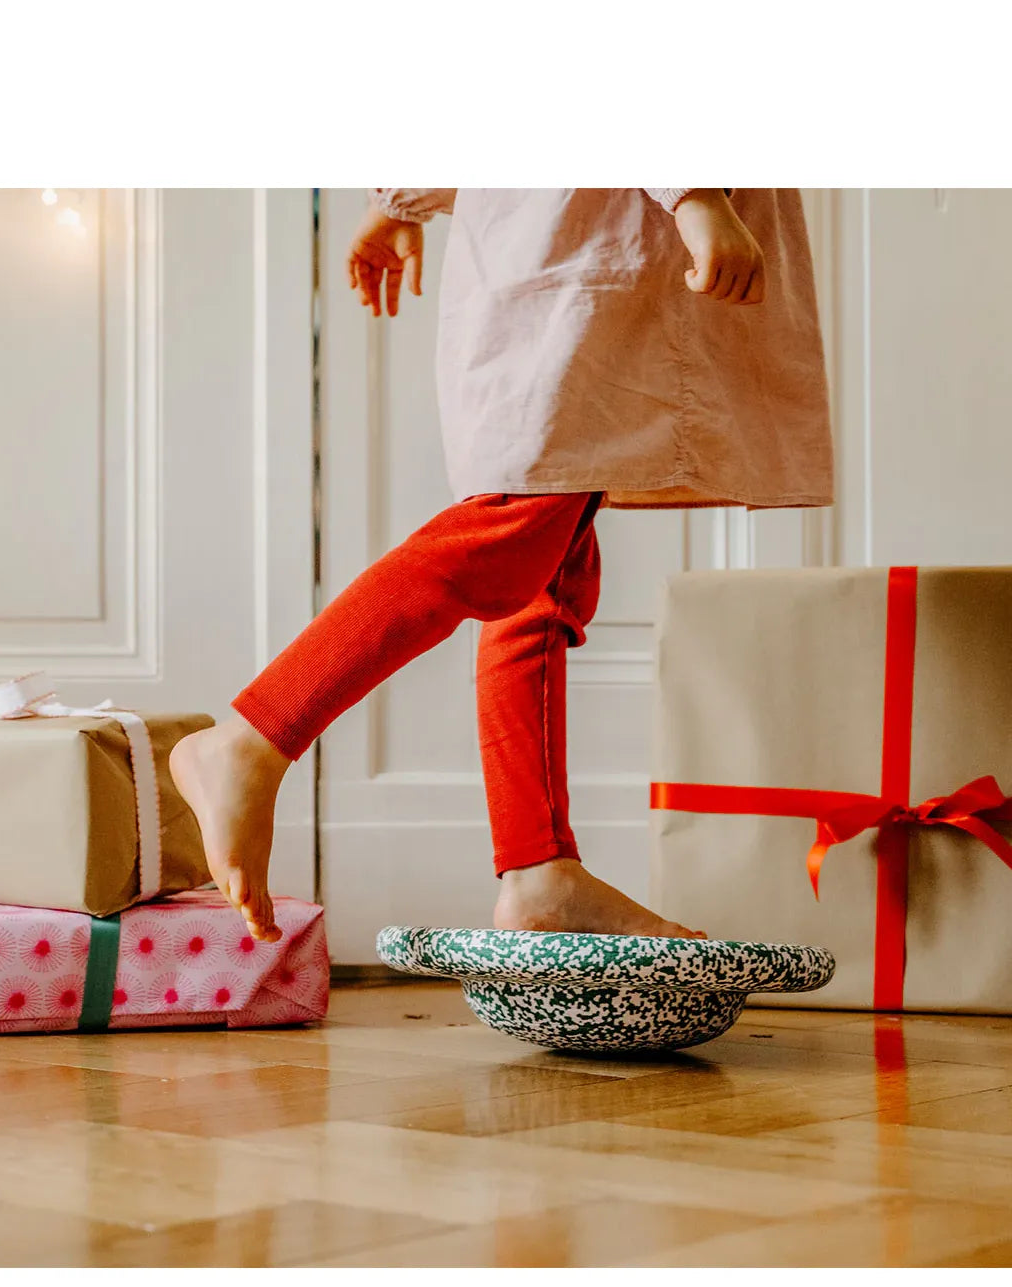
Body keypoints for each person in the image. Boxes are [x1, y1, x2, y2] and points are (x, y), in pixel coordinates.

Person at [171, 188, 833, 942]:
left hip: (570, 235)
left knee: (546, 567)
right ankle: (254, 737)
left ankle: (538, 870)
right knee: (516, 529)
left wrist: (401, 197)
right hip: (597, 242)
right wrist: (694, 195)